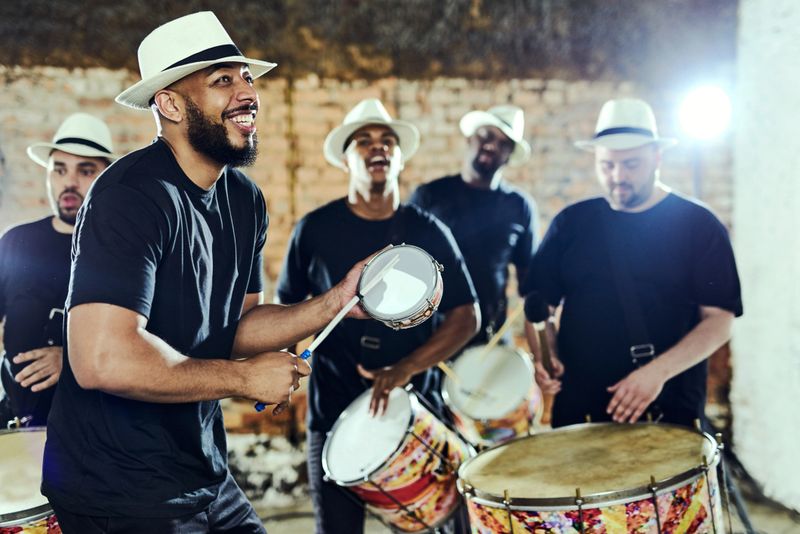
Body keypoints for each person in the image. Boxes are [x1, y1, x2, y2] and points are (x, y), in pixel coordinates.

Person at [42, 12, 370, 533]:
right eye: (223, 80)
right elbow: (102, 360)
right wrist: (242, 378)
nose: (247, 92)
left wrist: (336, 303)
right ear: (169, 104)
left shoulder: (244, 199)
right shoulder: (130, 196)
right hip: (120, 492)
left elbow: (236, 328)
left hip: (205, 474)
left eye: (246, 77)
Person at [276, 98, 479, 534]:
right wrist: (289, 361)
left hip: (415, 406)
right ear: (345, 158)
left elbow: (468, 315)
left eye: (388, 140)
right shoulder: (314, 229)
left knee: (449, 525)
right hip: (333, 407)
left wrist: (406, 368)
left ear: (400, 157)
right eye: (363, 141)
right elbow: (287, 310)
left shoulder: (428, 230)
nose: (378, 148)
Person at [523, 98, 743, 428]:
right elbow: (539, 307)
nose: (618, 177)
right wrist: (545, 354)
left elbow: (719, 320)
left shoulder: (698, 225)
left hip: (668, 408)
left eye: (631, 164)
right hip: (580, 413)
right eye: (607, 165)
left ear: (657, 157)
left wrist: (656, 373)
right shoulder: (570, 223)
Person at [0, 113, 116, 427]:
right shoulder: (15, 242)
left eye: (85, 170)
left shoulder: (124, 248)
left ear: (105, 177)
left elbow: (152, 336)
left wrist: (74, 359)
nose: (69, 182)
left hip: (94, 433)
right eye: (59, 170)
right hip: (17, 426)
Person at [409, 105, 539, 348]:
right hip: (429, 343)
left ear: (510, 155)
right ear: (470, 139)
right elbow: (404, 269)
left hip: (489, 344)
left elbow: (530, 286)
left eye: (504, 143)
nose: (493, 146)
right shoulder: (429, 196)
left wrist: (542, 353)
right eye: (487, 135)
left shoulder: (519, 206)